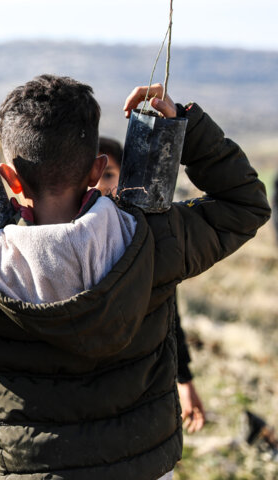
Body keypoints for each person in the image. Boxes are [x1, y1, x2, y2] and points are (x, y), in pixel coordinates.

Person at [0, 76, 270, 479]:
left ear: (8, 179)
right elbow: (245, 204)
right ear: (96, 169)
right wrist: (185, 127)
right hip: (148, 468)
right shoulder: (155, 240)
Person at [96, 136, 205, 434]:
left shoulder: (143, 237)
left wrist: (185, 380)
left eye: (108, 174)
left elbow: (170, 313)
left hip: (144, 387)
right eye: (91, 176)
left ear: (125, 176)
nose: (98, 186)